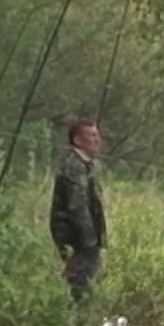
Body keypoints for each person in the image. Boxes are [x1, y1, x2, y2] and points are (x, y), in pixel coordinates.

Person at [49, 117, 107, 304]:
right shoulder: (74, 165)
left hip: (82, 238)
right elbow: (77, 206)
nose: (97, 140)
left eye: (97, 135)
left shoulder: (86, 165)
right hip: (76, 238)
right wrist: (90, 241)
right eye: (91, 135)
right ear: (77, 140)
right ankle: (75, 322)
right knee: (79, 286)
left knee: (86, 283)